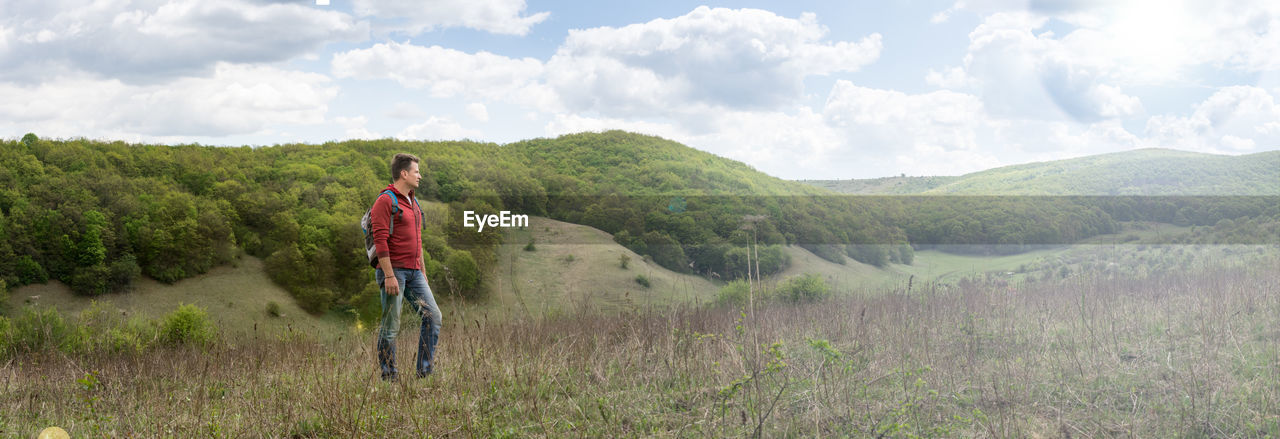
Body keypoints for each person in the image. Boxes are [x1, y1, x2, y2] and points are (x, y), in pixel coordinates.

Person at [370, 153, 441, 381]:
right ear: (404, 173)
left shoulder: (413, 200)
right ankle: (389, 376)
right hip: (394, 272)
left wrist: (423, 272)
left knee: (433, 317)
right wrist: (389, 275)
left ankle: (424, 373)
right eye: (416, 172)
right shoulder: (385, 201)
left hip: (415, 273)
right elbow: (380, 241)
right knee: (391, 326)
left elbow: (418, 239)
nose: (419, 176)